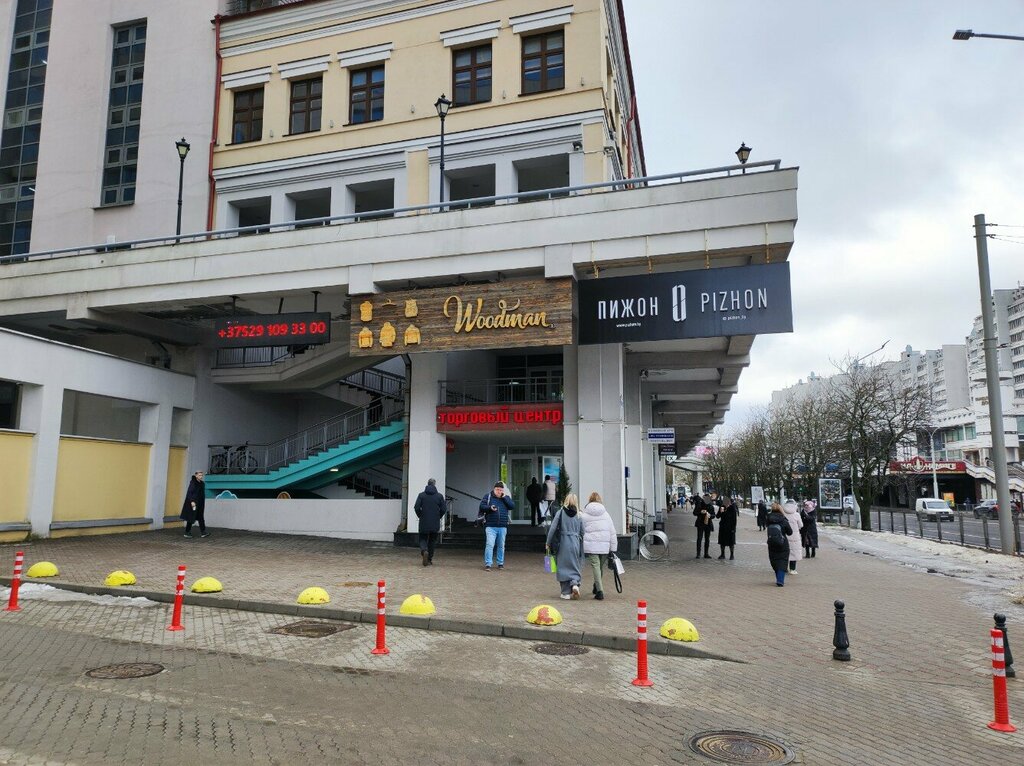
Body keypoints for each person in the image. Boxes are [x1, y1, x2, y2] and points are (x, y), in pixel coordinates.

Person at [545, 492, 584, 599]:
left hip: (563, 543)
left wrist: (548, 542)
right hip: (575, 543)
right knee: (574, 565)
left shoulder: (561, 512)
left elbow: (553, 528)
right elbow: (583, 532)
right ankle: (575, 583)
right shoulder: (579, 514)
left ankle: (565, 593)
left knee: (563, 567)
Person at [581, 491, 617, 600]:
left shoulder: (584, 515)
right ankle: (597, 586)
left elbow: (581, 530)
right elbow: (612, 532)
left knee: (596, 567)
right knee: (599, 567)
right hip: (605, 546)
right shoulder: (606, 514)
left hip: (591, 545)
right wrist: (613, 548)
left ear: (590, 500)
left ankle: (600, 591)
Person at [479, 480, 514, 571]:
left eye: (501, 490)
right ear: (494, 489)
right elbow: (482, 506)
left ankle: (500, 563)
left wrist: (505, 497)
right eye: (497, 489)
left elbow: (512, 506)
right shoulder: (488, 496)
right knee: (490, 545)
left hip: (502, 526)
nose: (499, 491)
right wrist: (490, 508)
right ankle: (488, 563)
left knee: (501, 545)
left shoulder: (506, 497)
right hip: (490, 525)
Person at [413, 478, 445, 566]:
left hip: (424, 521)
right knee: (432, 540)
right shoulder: (439, 496)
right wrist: (438, 516)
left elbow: (416, 507)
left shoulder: (421, 495)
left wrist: (420, 515)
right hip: (435, 522)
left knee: (422, 538)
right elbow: (443, 509)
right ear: (434, 485)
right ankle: (429, 559)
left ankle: (424, 551)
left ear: (427, 484)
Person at [765, 501, 793, 586]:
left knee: (774, 560)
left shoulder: (769, 519)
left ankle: (779, 577)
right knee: (782, 561)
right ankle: (780, 580)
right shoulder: (783, 520)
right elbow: (790, 532)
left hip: (771, 543)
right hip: (783, 543)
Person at [180, 471, 208, 538]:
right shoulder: (193, 483)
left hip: (200, 504)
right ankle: (187, 532)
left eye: (201, 475)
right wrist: (192, 501)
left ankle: (203, 532)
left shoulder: (202, 483)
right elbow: (190, 492)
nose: (201, 476)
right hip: (194, 503)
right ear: (196, 476)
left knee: (201, 517)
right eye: (199, 475)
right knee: (191, 517)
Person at [781, 499, 804, 574]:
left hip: (784, 535)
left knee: (785, 552)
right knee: (794, 552)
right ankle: (792, 569)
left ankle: (784, 568)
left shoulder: (783, 513)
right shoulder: (796, 514)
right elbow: (801, 525)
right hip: (794, 536)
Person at [716, 496, 738, 560]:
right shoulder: (722, 507)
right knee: (722, 541)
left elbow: (734, 520)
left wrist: (733, 529)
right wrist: (720, 511)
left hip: (730, 528)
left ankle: (732, 555)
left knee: (731, 542)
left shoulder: (732, 508)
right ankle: (722, 554)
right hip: (723, 527)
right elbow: (717, 516)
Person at [693, 493, 714, 559]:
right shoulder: (699, 504)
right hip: (700, 523)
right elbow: (694, 513)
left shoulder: (711, 505)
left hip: (708, 523)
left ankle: (706, 553)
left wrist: (710, 515)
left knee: (707, 539)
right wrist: (700, 512)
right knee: (699, 538)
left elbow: (714, 515)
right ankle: (698, 554)